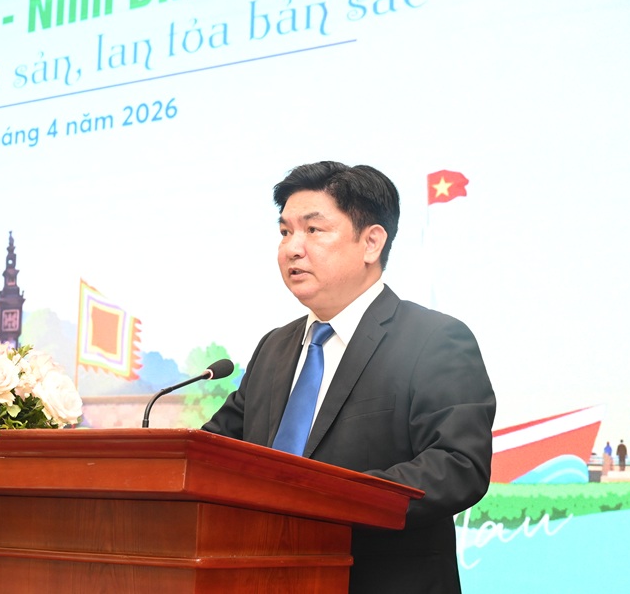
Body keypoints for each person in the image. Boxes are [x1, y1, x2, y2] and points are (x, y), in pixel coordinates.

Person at [203, 161, 496, 594]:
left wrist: (323, 501)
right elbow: (212, 453)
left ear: (371, 242)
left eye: (313, 230)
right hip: (263, 578)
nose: (292, 248)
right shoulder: (274, 348)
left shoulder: (433, 339)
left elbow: (457, 465)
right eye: (285, 231)